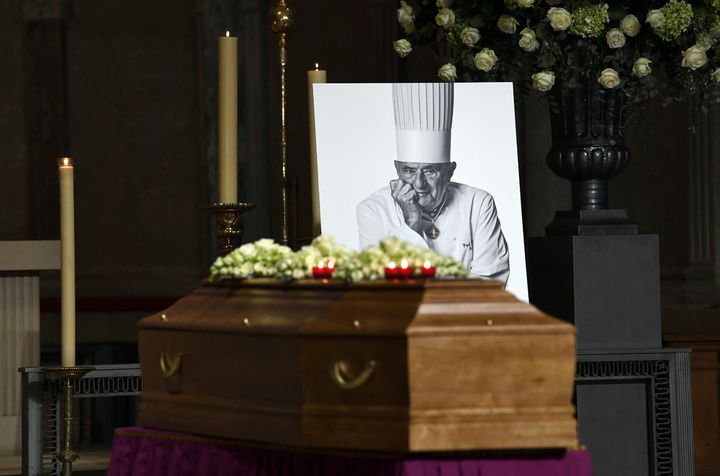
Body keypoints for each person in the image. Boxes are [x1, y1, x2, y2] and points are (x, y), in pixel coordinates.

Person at [356, 82, 509, 283]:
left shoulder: (478, 203)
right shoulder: (372, 210)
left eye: (430, 171)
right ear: (397, 169)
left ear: (449, 172)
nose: (419, 183)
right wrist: (411, 223)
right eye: (409, 171)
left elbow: (490, 286)